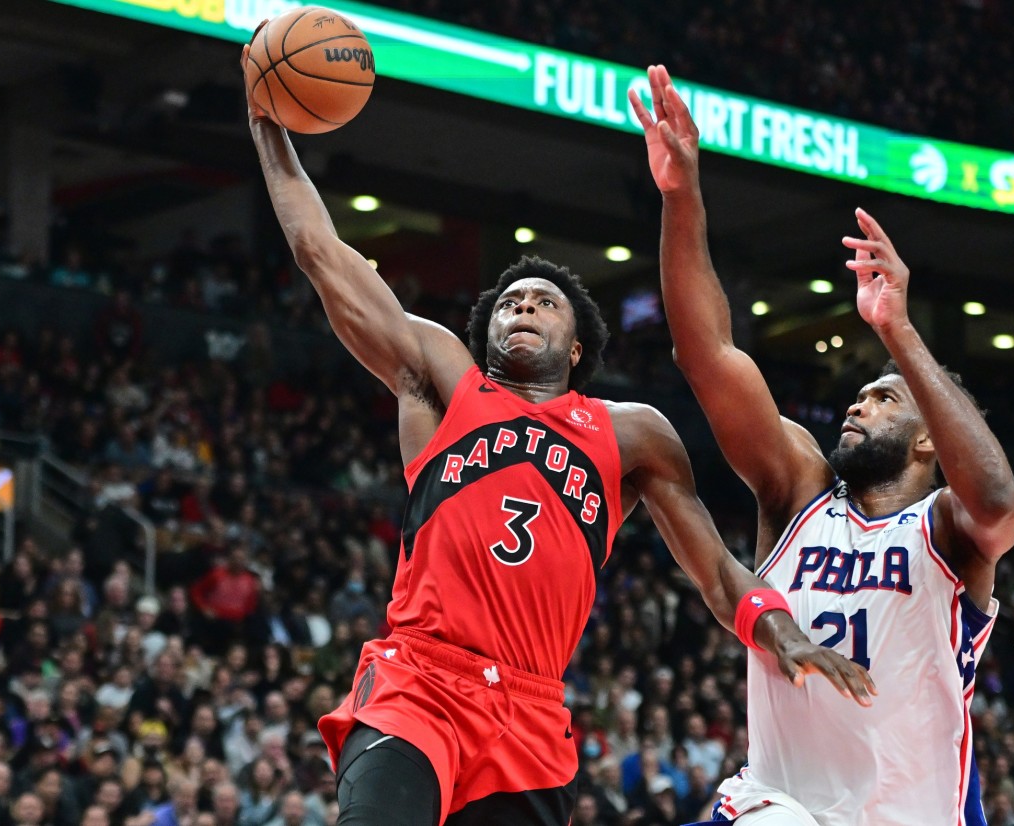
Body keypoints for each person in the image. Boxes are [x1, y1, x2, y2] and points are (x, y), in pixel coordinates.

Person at [240, 32, 873, 826]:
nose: (523, 305)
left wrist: (781, 634)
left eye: (544, 300)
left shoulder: (632, 434)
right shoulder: (444, 382)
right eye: (509, 301)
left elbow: (715, 572)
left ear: (577, 346)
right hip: (419, 685)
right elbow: (321, 255)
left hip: (531, 717)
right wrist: (269, 125)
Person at [630, 65, 1014, 825]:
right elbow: (707, 354)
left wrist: (898, 333)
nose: (858, 401)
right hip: (776, 803)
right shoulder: (799, 489)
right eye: (862, 391)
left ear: (924, 444)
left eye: (884, 399)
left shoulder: (948, 529)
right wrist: (683, 199)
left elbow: (1000, 504)